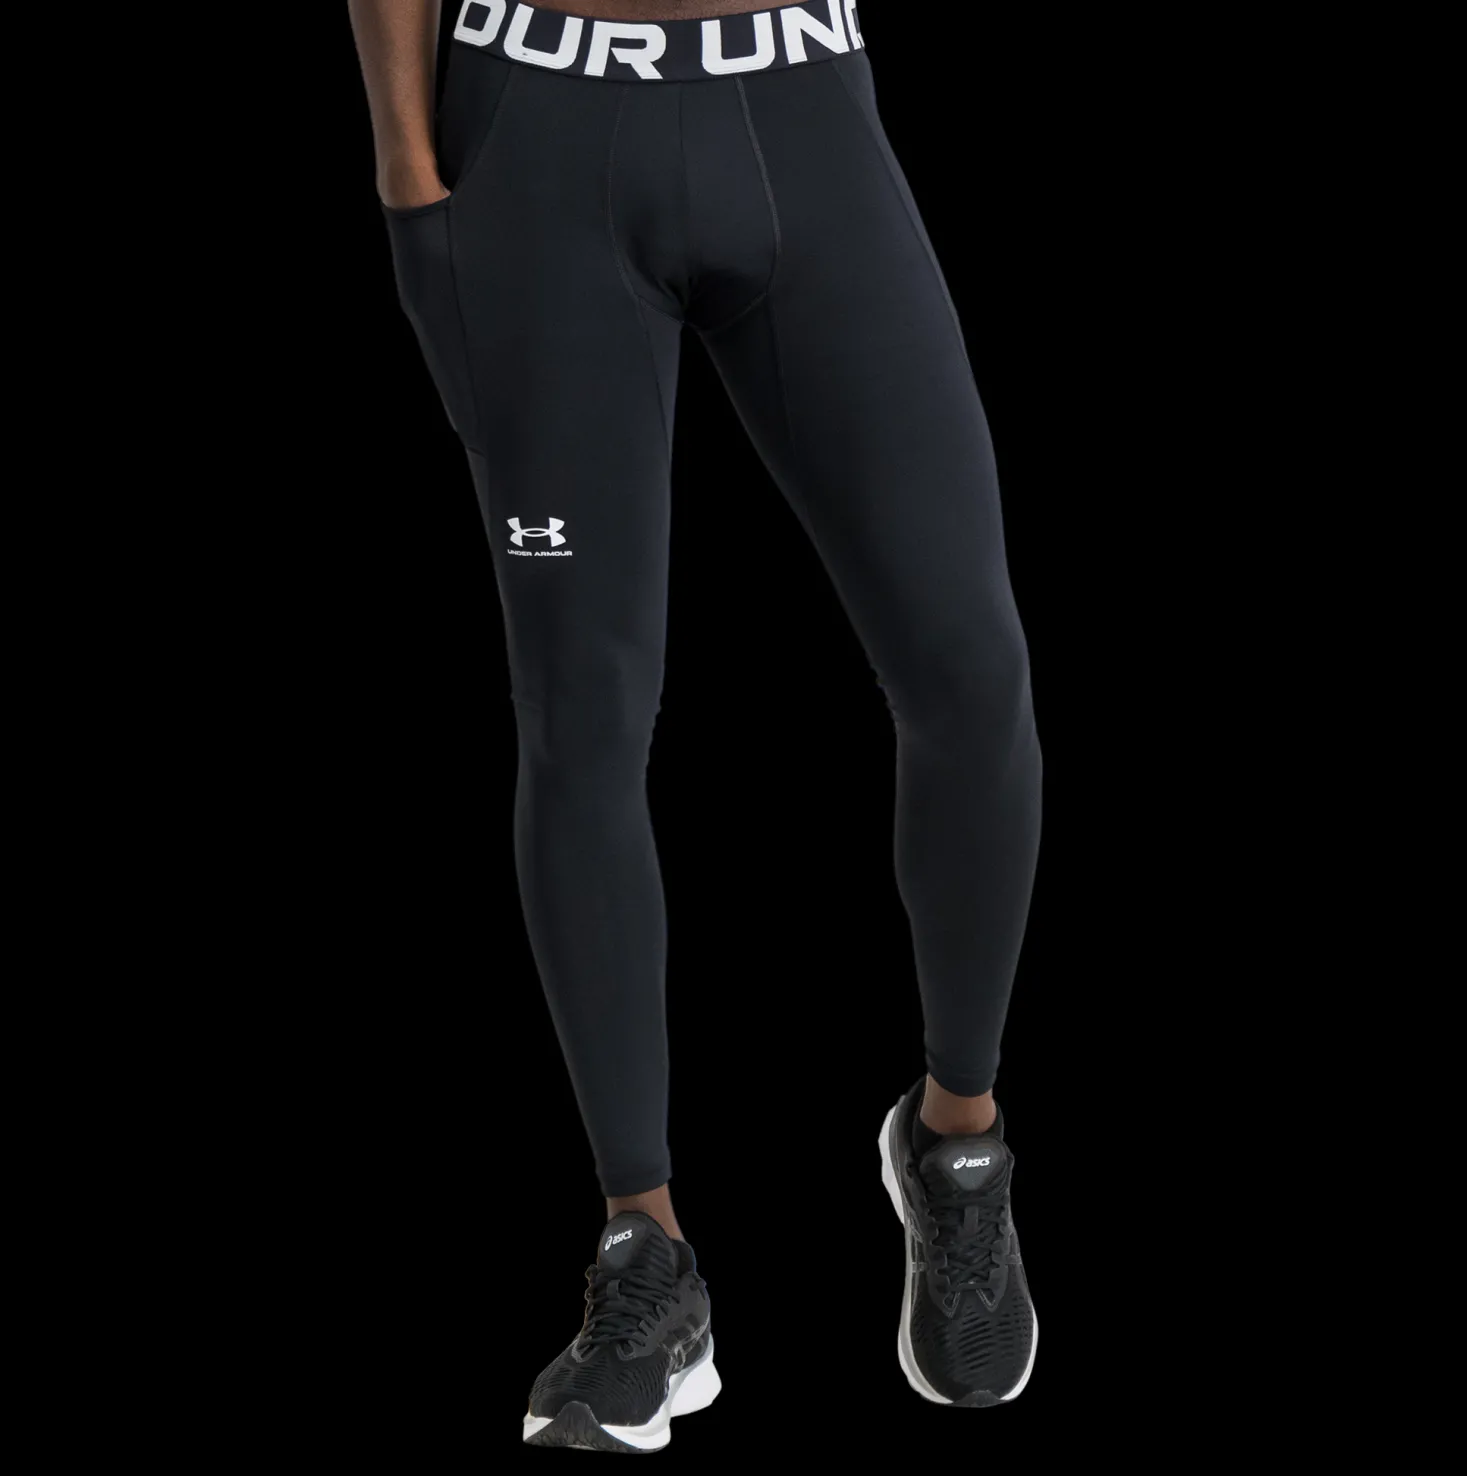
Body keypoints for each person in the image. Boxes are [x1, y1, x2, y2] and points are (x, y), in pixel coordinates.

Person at [348, 0, 1043, 1450]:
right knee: (582, 715)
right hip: (538, 118)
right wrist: (408, 173)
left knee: (972, 675)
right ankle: (646, 1258)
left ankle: (956, 1145)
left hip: (795, 96)